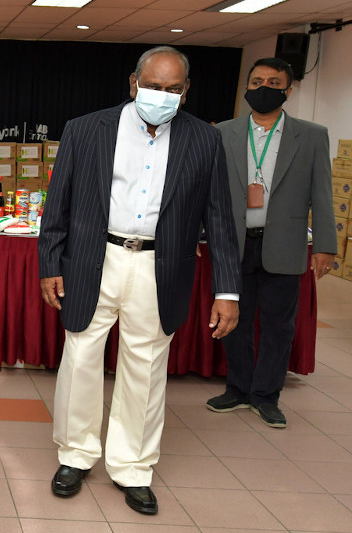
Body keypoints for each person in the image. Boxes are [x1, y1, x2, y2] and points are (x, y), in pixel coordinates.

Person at [38, 46, 241, 516]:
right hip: (95, 259)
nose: (161, 96)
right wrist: (50, 262)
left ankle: (132, 468)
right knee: (81, 357)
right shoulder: (86, 129)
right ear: (133, 83)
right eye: (153, 86)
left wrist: (227, 291)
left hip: (160, 267)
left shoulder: (204, 141)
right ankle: (75, 455)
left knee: (146, 368)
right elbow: (59, 204)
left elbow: (221, 220)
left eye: (172, 90)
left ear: (185, 92)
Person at [206, 58, 336, 428]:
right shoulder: (223, 132)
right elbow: (208, 191)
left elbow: (322, 193)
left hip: (285, 244)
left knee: (279, 325)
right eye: (257, 80)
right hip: (234, 243)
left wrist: (326, 244)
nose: (263, 86)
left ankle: (266, 396)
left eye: (273, 81)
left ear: (287, 91)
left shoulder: (311, 135)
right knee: (234, 320)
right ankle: (238, 389)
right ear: (247, 86)